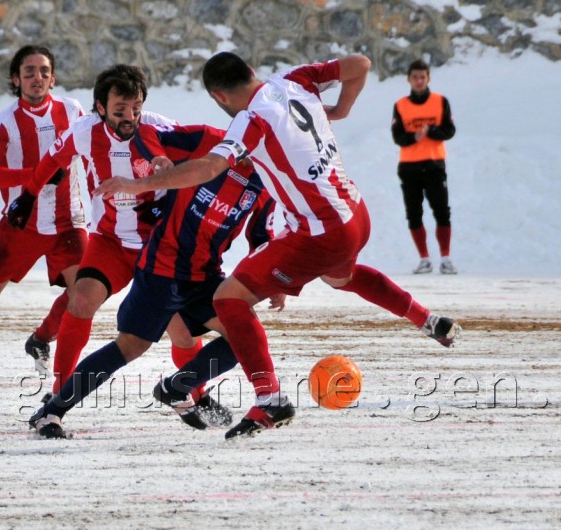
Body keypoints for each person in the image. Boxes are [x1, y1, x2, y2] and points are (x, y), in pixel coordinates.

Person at [98, 51, 461, 439]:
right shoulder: (294, 80)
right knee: (341, 277)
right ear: (252, 71)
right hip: (355, 213)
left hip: (319, 232)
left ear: (219, 96)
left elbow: (208, 168)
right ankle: (427, 319)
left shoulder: (250, 120)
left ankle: (269, 399)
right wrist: (341, 108)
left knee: (229, 299)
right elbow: (361, 64)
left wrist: (137, 184)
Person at [26, 122, 277, 438]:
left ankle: (178, 387)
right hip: (162, 267)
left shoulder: (268, 180)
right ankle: (51, 412)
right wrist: (156, 159)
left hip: (205, 275)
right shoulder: (207, 140)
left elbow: (261, 237)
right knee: (131, 346)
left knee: (242, 336)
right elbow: (146, 133)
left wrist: (272, 283)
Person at [6, 65, 209, 404]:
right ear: (100, 107)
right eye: (120, 110)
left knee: (182, 329)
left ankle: (196, 396)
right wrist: (27, 197)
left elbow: (202, 165)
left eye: (136, 108)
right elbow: (51, 161)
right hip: (111, 241)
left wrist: (172, 204)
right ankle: (60, 393)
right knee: (80, 299)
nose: (130, 117)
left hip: (157, 246)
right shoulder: (84, 132)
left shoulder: (161, 128)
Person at [0, 45, 89, 382]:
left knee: (85, 293)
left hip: (69, 222)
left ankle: (41, 339)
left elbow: (94, 147)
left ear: (53, 79)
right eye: (29, 72)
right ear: (16, 79)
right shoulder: (4, 122)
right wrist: (35, 175)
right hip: (22, 223)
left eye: (44, 72)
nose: (37, 77)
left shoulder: (73, 110)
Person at [392, 59, 457, 275]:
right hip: (409, 167)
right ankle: (424, 259)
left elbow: (450, 130)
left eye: (422, 77)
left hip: (434, 165)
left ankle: (446, 259)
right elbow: (397, 137)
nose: (419, 81)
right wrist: (414, 136)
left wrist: (432, 132)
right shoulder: (401, 105)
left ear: (428, 78)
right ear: (409, 80)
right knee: (414, 214)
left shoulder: (440, 101)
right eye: (415, 77)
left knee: (442, 211)